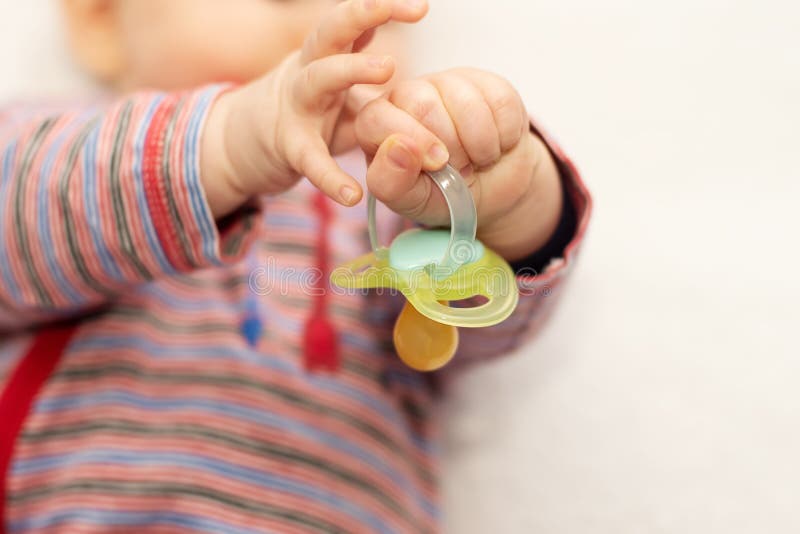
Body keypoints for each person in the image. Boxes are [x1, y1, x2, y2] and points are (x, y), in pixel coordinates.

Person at [0, 0, 591, 532]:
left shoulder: (387, 197)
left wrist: (507, 206)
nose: (332, 27)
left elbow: (465, 329)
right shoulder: (54, 146)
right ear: (101, 20)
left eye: (377, 15)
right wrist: (227, 142)